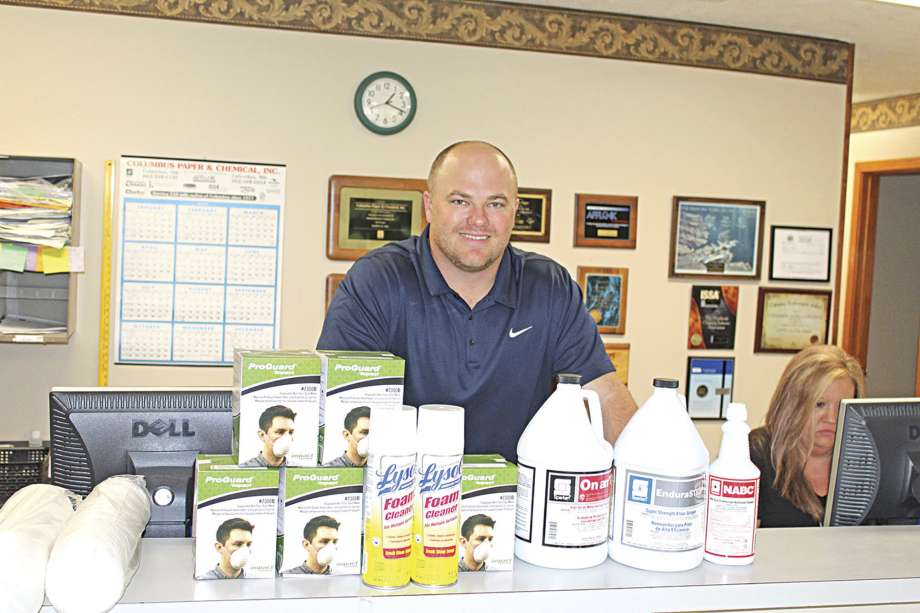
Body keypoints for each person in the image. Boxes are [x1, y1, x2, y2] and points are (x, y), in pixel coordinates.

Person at [318, 141, 638, 461]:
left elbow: (606, 394)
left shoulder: (549, 288)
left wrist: (640, 477)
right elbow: (340, 407)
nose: (479, 220)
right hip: (400, 500)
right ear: (429, 206)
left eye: (495, 204)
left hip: (517, 502)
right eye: (461, 201)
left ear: (515, 208)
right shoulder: (378, 280)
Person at [749, 344, 865, 527]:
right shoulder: (757, 453)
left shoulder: (866, 462)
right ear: (792, 404)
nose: (832, 419)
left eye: (842, 406)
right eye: (819, 404)